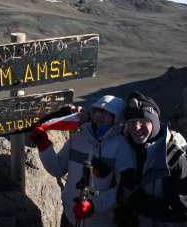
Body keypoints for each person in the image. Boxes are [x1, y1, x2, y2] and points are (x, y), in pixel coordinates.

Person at [30, 95, 128, 227]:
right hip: (70, 216)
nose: (99, 116)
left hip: (102, 222)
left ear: (115, 118)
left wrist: (94, 206)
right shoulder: (78, 138)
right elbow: (58, 169)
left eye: (106, 113)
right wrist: (44, 146)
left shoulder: (121, 147)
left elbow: (123, 190)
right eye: (97, 111)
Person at [116, 91, 187, 227]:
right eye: (132, 121)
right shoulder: (127, 150)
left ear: (155, 123)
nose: (136, 127)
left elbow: (184, 210)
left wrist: (137, 200)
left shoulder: (174, 159)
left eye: (144, 121)